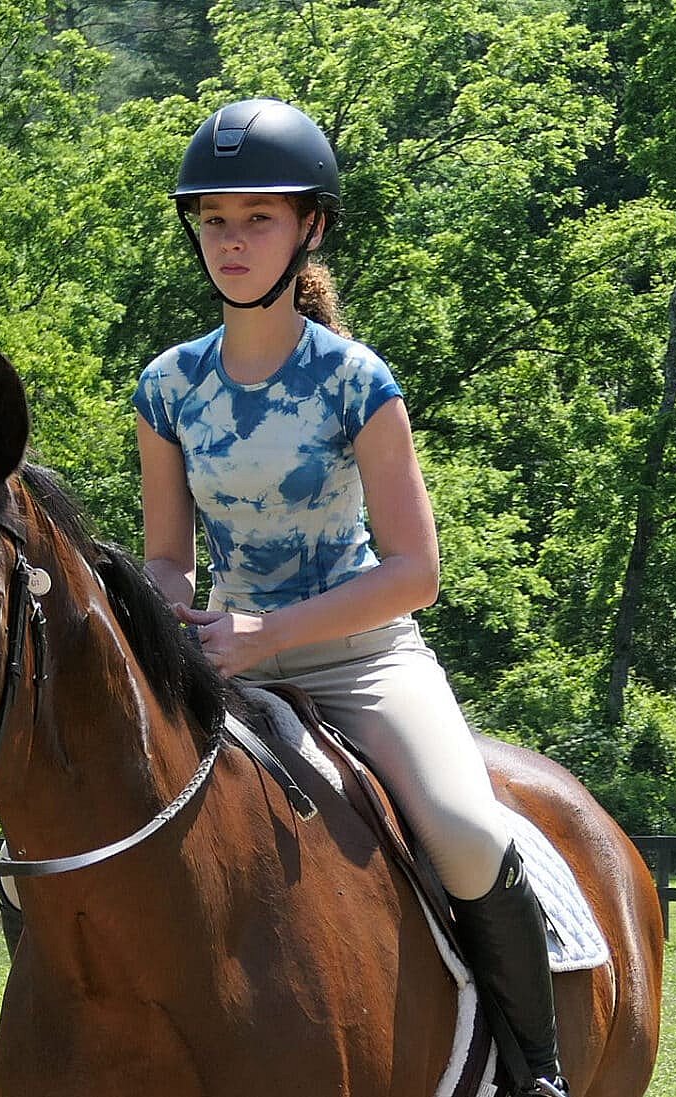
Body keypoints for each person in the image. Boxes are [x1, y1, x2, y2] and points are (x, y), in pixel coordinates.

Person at [129, 99, 569, 1097]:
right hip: (219, 661)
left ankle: (534, 1067)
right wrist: (169, 619)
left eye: (258, 219)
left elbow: (417, 570)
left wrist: (269, 630)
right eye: (214, 221)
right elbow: (166, 556)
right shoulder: (165, 385)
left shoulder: (355, 382)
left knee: (462, 827)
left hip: (362, 655)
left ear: (309, 228)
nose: (232, 242)